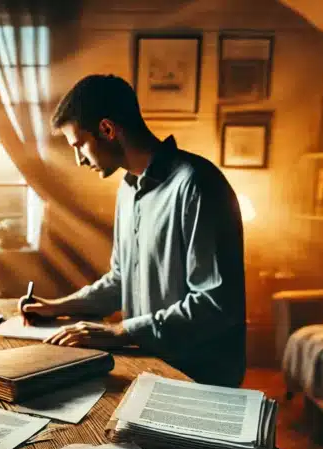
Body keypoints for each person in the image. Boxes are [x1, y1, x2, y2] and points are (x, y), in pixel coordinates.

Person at [21, 74, 246, 387]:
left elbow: (214, 306)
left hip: (198, 378)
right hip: (149, 366)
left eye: (80, 145)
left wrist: (119, 332)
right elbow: (121, 280)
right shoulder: (127, 190)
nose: (79, 160)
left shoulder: (198, 185)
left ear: (107, 130)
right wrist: (57, 307)